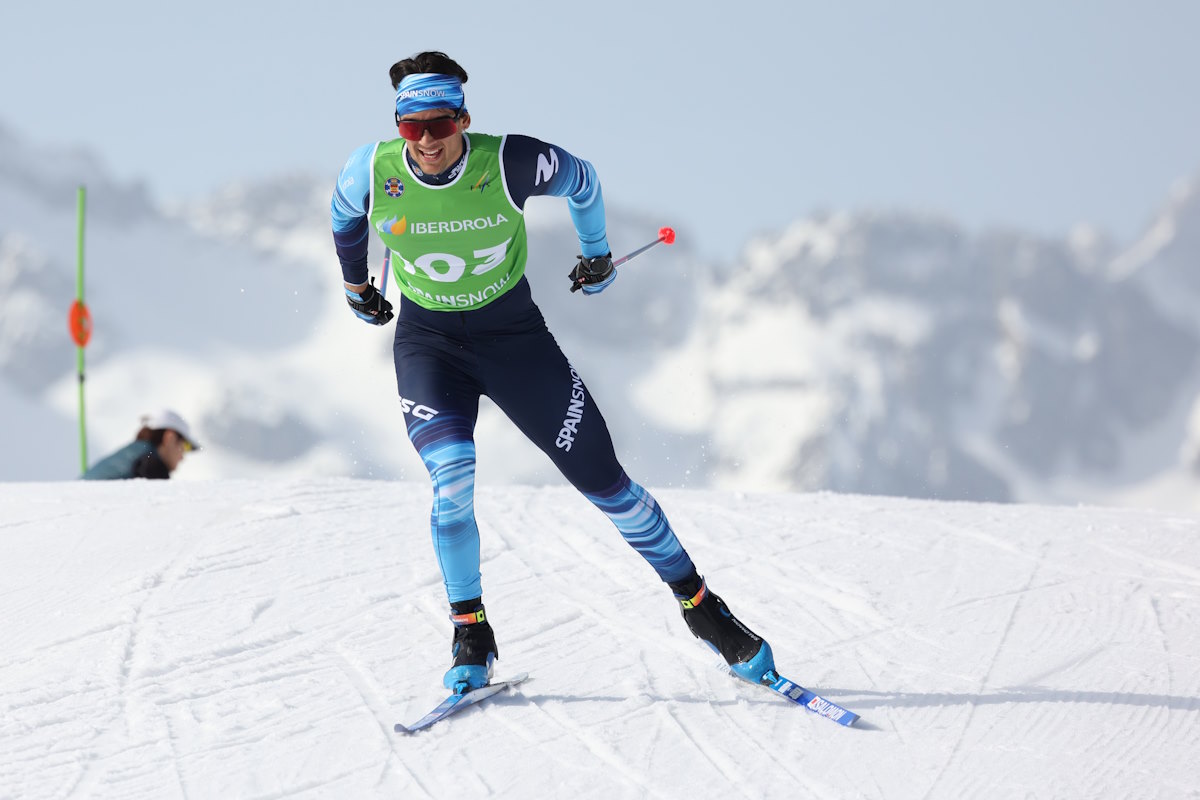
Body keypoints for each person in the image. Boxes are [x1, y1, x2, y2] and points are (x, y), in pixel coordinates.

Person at [331, 51, 774, 693]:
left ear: (465, 118)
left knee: (607, 485)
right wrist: (355, 286)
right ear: (395, 125)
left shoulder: (508, 160)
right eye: (410, 127)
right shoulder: (369, 169)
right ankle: (471, 633)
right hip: (430, 347)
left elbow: (584, 181)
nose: (426, 140)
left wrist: (596, 255)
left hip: (515, 343)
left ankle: (703, 609)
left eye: (440, 124)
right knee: (452, 480)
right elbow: (345, 217)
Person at [81, 409, 198, 480]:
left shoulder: (135, 452)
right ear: (170, 437)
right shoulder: (150, 462)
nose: (183, 457)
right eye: (185, 446)